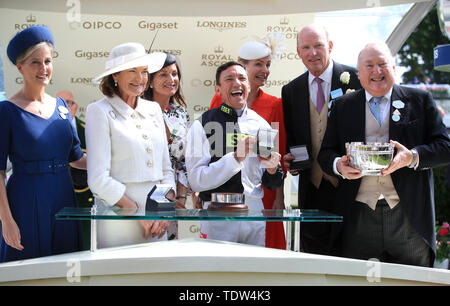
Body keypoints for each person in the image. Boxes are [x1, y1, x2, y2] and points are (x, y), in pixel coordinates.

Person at [318, 42, 450, 267]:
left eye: (382, 64)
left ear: (394, 68)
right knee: (357, 281)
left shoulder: (420, 100)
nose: (376, 71)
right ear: (358, 74)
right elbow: (325, 153)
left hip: (408, 215)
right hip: (358, 213)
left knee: (412, 282)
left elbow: (445, 147)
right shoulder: (342, 106)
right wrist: (339, 165)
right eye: (369, 66)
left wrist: (412, 157)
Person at [0, 26, 86, 262]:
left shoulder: (61, 107)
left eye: (47, 61)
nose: (43, 68)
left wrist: (116, 160)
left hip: (63, 197)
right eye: (35, 62)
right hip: (25, 200)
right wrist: (6, 221)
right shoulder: (6, 110)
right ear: (20, 67)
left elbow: (77, 159)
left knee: (64, 266)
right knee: (27, 269)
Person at [282, 24, 362, 255]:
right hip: (312, 189)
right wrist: (292, 161)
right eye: (306, 47)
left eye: (318, 45)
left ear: (330, 46)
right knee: (314, 260)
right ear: (298, 52)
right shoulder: (291, 90)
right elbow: (295, 137)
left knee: (351, 258)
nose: (313, 53)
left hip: (351, 187)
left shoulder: (356, 79)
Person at [86, 43, 176, 249]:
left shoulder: (153, 109)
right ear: (115, 75)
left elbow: (165, 169)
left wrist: (160, 211)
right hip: (118, 219)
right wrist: (135, 212)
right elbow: (98, 179)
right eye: (132, 71)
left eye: (144, 71)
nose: (140, 78)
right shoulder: (98, 111)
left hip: (156, 221)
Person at [186, 61, 283, 246]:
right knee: (219, 272)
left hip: (254, 211)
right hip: (218, 212)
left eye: (242, 78)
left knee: (253, 271)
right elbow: (196, 179)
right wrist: (235, 158)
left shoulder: (262, 124)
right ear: (218, 89)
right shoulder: (202, 124)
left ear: (248, 86)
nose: (237, 83)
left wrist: (272, 169)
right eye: (229, 79)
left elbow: (272, 181)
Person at [209, 34, 287, 250]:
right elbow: (211, 148)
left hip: (263, 190)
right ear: (241, 65)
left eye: (268, 65)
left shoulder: (274, 104)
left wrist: (278, 199)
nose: (265, 70)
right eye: (259, 64)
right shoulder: (218, 100)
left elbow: (276, 157)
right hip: (225, 190)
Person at [143, 53, 190, 240]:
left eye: (174, 74)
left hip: (173, 197)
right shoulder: (138, 112)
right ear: (150, 80)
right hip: (144, 194)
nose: (171, 79)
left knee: (167, 252)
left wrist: (180, 198)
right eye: (163, 74)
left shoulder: (180, 113)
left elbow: (184, 161)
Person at [56, 90, 94, 250]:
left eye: (69, 103)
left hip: (86, 198)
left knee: (86, 244)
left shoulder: (89, 130)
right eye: (60, 103)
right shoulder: (49, 130)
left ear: (76, 107)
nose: (64, 106)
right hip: (59, 197)